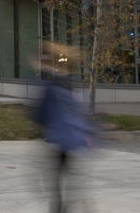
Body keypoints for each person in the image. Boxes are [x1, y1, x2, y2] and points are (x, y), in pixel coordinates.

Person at [35, 56, 94, 213]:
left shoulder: (52, 87)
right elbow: (76, 112)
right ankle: (68, 206)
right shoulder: (67, 85)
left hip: (58, 137)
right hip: (70, 138)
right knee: (67, 174)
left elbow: (42, 113)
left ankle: (59, 208)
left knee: (56, 177)